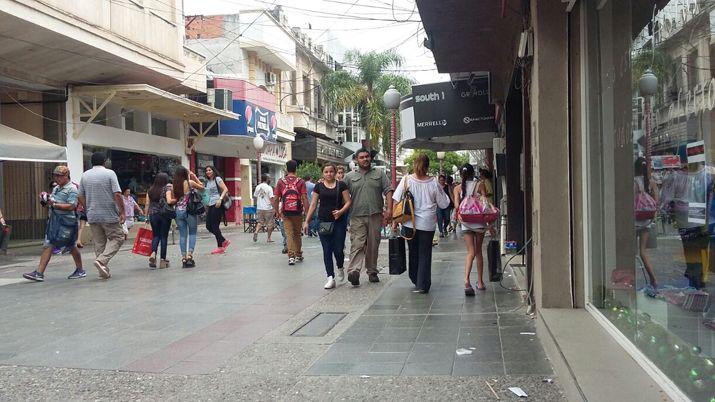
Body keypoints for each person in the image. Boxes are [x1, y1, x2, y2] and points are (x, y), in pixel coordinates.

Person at [392, 154, 450, 293]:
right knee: (425, 253)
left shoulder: (406, 180)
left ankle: (415, 278)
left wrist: (394, 221)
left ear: (414, 164)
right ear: (428, 166)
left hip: (408, 223)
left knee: (413, 251)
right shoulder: (433, 182)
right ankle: (423, 284)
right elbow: (444, 204)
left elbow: (396, 200)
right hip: (427, 223)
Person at [23, 166, 85, 282]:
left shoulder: (72, 189)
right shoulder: (56, 188)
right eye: (55, 175)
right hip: (55, 221)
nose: (56, 178)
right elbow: (51, 203)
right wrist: (45, 200)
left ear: (66, 176)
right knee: (59, 245)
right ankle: (79, 270)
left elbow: (71, 206)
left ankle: (40, 273)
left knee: (61, 245)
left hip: (67, 222)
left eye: (59, 176)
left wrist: (54, 204)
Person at [344, 148, 393, 286]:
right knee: (357, 243)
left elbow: (388, 190)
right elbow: (343, 194)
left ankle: (372, 271)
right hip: (357, 216)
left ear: (370, 158)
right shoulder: (349, 177)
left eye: (367, 157)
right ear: (356, 160)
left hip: (375, 215)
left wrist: (389, 209)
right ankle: (354, 271)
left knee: (373, 244)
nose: (365, 159)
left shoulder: (379, 173)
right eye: (361, 157)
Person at [303, 163, 352, 289]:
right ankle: (330, 277)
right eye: (326, 172)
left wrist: (341, 212)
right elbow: (313, 204)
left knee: (338, 248)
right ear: (322, 173)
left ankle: (340, 266)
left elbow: (348, 202)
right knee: (327, 250)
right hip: (323, 221)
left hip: (339, 221)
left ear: (335, 172)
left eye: (331, 171)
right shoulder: (318, 186)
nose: (329, 174)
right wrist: (307, 221)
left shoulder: (341, 185)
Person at [78, 152, 125, 280]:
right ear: (104, 161)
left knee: (99, 243)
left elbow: (80, 195)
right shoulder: (110, 173)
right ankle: (102, 261)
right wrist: (122, 211)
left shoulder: (85, 175)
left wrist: (88, 207)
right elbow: (117, 194)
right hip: (108, 212)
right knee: (118, 237)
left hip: (92, 214)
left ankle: (103, 270)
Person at [454, 164, 494, 295]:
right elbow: (485, 205)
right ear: (473, 173)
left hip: (466, 222)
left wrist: (458, 218)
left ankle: (466, 281)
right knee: (478, 252)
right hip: (479, 222)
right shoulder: (480, 184)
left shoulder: (458, 188)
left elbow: (457, 206)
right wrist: (490, 224)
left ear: (461, 175)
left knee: (470, 252)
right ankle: (481, 282)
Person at [274, 160, 308, 265]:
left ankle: (291, 256)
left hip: (285, 212)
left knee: (289, 234)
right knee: (297, 233)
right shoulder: (300, 181)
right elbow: (304, 198)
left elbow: (276, 198)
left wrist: (277, 211)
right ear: (296, 168)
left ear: (286, 169)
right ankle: (298, 254)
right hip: (298, 212)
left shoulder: (281, 182)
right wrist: (307, 212)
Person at [173, 167, 204, 268]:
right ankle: (190, 256)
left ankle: (183, 257)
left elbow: (175, 199)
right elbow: (202, 187)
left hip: (178, 211)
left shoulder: (175, 185)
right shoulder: (190, 182)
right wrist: (194, 176)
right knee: (192, 233)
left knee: (182, 235)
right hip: (189, 211)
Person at [634, 157, 658, 289]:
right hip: (646, 221)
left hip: (634, 220)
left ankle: (628, 281)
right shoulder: (651, 182)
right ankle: (653, 280)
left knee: (627, 252)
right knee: (643, 252)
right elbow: (656, 201)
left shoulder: (633, 182)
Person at [144, 173, 174, 269]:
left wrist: (146, 217)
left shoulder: (150, 190)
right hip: (164, 215)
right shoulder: (167, 189)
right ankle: (162, 260)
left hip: (153, 215)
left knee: (155, 235)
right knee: (164, 237)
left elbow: (147, 204)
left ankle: (153, 253)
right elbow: (169, 201)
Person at [204, 165, 230, 254]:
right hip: (210, 204)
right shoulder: (207, 182)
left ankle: (220, 247)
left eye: (209, 170)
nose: (208, 172)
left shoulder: (217, 179)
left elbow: (225, 189)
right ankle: (223, 240)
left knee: (215, 226)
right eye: (206, 170)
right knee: (208, 226)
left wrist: (220, 199)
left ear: (213, 171)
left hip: (217, 204)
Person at [253, 174, 276, 243]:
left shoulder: (257, 187)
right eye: (269, 178)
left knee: (260, 222)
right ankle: (269, 238)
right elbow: (271, 199)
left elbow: (255, 196)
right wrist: (274, 207)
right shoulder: (269, 188)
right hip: (268, 208)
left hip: (259, 208)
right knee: (270, 224)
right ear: (266, 179)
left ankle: (256, 231)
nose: (270, 179)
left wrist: (257, 205)